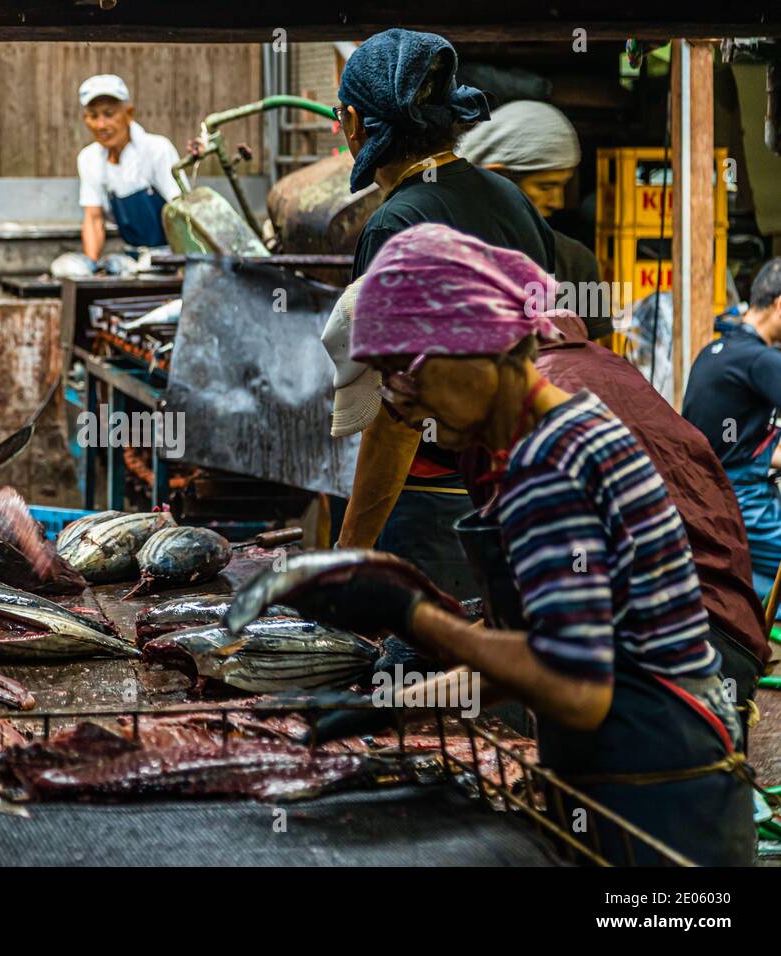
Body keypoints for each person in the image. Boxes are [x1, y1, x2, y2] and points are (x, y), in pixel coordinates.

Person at [324, 223, 757, 865]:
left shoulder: (544, 466)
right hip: (667, 778)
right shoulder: (566, 430)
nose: (399, 399)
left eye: (402, 370)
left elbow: (576, 687)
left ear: (473, 347)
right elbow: (558, 643)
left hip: (650, 807)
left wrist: (413, 617)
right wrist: (396, 709)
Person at [332, 28, 555, 599]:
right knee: (496, 672)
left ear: (357, 124)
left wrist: (348, 554)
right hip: (517, 491)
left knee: (422, 674)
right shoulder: (511, 199)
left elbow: (395, 414)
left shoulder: (394, 224)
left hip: (432, 509)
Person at [457, 99, 612, 340]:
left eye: (563, 186)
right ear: (496, 178)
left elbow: (595, 365)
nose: (557, 202)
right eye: (545, 186)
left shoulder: (574, 262)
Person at [684, 258, 781, 605]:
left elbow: (741, 444)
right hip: (744, 503)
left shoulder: (712, 353)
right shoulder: (762, 361)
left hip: (706, 498)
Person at [77, 73, 181, 263]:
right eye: (93, 116)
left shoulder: (157, 149)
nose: (101, 125)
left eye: (109, 114)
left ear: (129, 113)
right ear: (85, 119)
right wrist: (89, 267)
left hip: (171, 257)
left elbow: (182, 212)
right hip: (132, 260)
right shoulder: (89, 158)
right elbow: (93, 219)